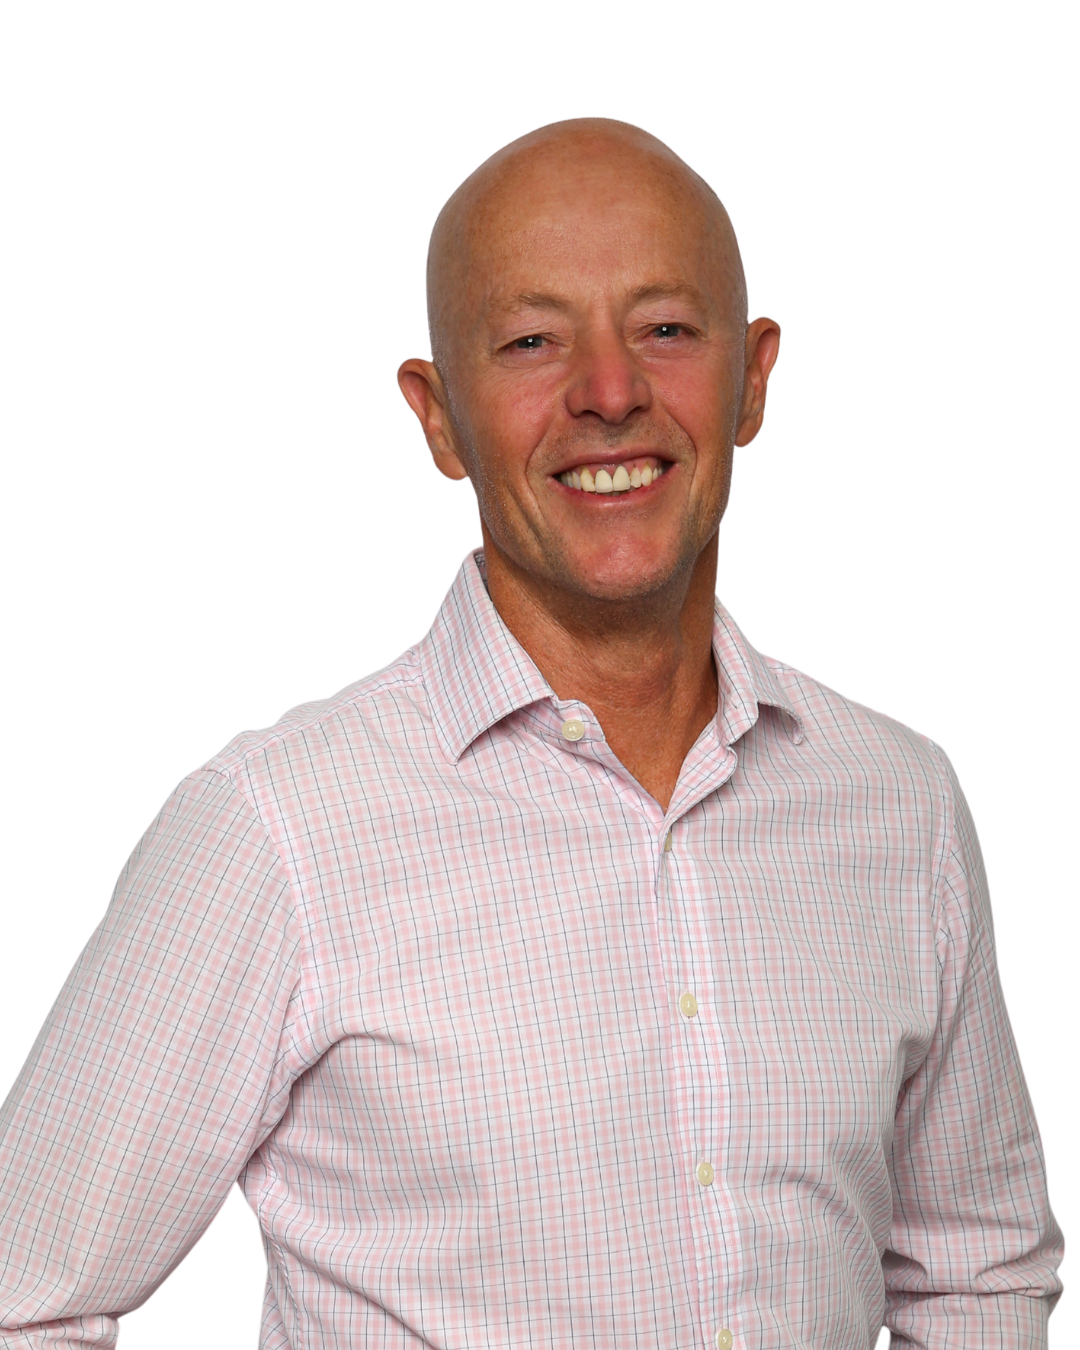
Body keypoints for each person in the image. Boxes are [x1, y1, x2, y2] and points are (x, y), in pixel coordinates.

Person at [0, 119, 1062, 1349]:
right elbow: (23, 1299)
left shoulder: (896, 803)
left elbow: (976, 1273)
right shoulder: (279, 831)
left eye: (666, 328)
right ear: (439, 417)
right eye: (530, 342)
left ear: (754, 378)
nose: (609, 393)